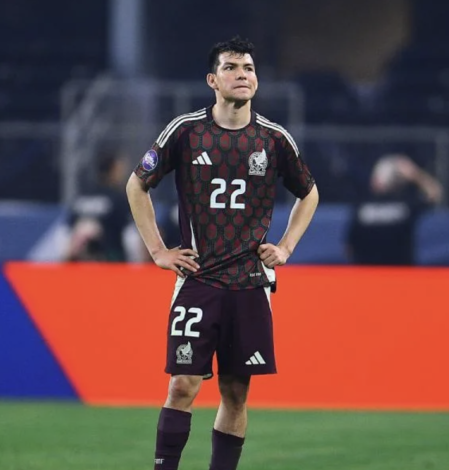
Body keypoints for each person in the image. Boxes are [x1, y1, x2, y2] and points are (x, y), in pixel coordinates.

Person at [126, 37, 319, 470]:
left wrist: (286, 246)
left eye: (249, 68)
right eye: (232, 67)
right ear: (213, 80)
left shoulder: (272, 139)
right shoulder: (186, 131)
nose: (243, 75)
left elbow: (309, 193)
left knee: (235, 392)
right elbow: (137, 184)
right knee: (182, 385)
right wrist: (157, 250)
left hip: (250, 284)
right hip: (198, 279)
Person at [345, 153, 442, 265]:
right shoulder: (405, 204)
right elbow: (434, 193)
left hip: (380, 274)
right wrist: (415, 174)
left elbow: (348, 249)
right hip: (387, 274)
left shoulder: (363, 204)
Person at [65, 153, 132, 262]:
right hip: (110, 258)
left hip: (79, 261)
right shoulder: (117, 198)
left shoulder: (83, 195)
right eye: (120, 169)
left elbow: (68, 229)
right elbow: (129, 233)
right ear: (112, 170)